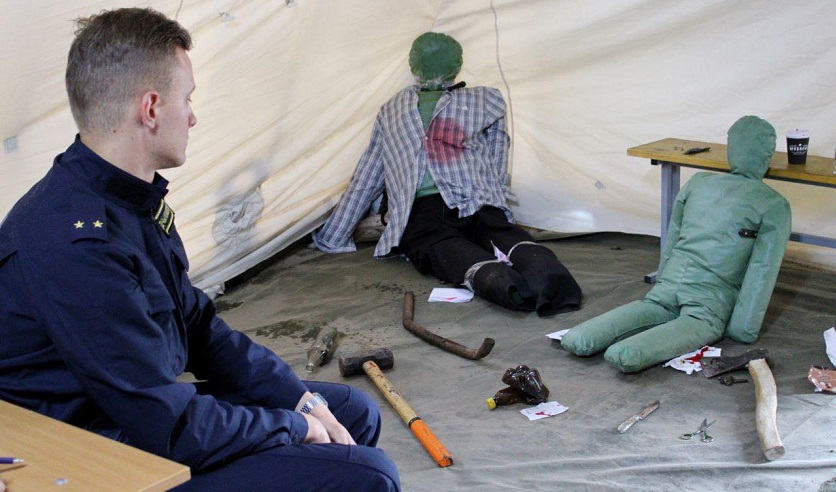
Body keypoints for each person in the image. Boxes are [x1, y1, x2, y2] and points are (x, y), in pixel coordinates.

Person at [0, 8, 399, 491]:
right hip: (85, 449)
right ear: (150, 109)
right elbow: (168, 425)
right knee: (368, 475)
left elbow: (197, 327)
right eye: (186, 99)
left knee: (349, 410)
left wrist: (298, 400)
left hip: (133, 416)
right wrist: (293, 427)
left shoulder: (128, 201)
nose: (192, 116)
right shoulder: (76, 244)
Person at [313, 32, 582, 317]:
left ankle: (504, 286)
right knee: (507, 238)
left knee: (444, 250)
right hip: (476, 200)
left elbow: (367, 178)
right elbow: (497, 159)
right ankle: (554, 285)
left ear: (414, 67)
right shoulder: (485, 100)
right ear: (457, 66)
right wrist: (498, 207)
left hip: (420, 211)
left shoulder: (391, 110)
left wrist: (333, 236)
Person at [560, 115, 791, 373]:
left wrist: (664, 282)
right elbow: (762, 273)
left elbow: (672, 240)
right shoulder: (774, 205)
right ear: (767, 156)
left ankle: (579, 337)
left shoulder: (699, 182)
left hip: (670, 284)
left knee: (651, 308)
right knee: (667, 335)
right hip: (707, 302)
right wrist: (741, 330)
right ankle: (625, 353)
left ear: (731, 149)